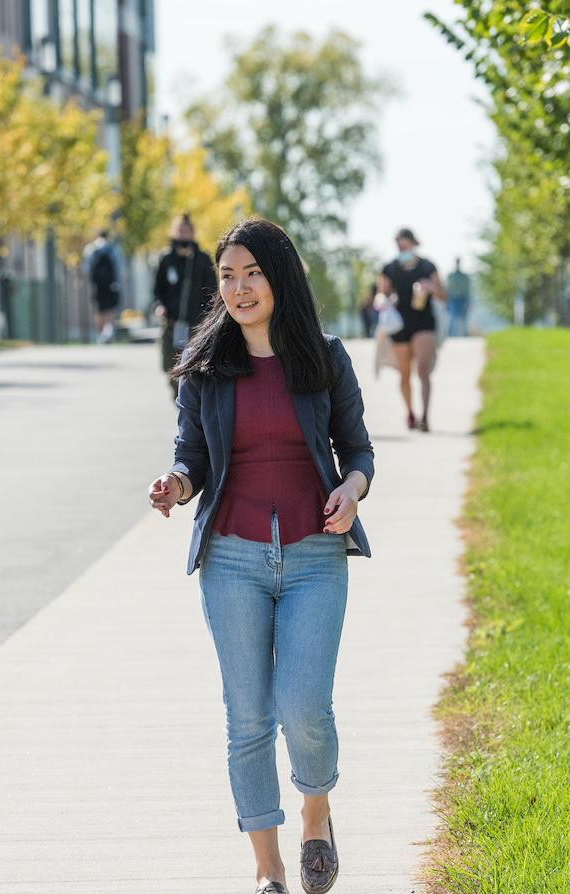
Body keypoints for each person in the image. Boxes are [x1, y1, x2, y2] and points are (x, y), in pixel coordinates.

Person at [149, 218, 374, 894]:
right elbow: (190, 456)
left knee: (305, 706)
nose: (239, 287)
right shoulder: (206, 366)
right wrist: (176, 483)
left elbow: (357, 450)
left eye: (251, 273)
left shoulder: (324, 357)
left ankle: (316, 814)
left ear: (279, 276)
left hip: (313, 555)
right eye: (227, 276)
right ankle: (267, 867)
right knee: (247, 716)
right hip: (233, 560)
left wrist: (352, 490)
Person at [377, 228, 446, 432]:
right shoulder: (389, 268)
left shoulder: (427, 266)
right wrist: (381, 301)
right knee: (404, 373)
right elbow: (382, 293)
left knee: (423, 369)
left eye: (404, 244)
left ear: (413, 243)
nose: (401, 248)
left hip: (424, 321)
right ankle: (410, 412)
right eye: (398, 245)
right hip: (399, 323)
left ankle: (425, 415)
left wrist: (431, 288)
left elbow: (443, 295)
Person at [153, 213, 217, 398]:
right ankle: (178, 396)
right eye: (180, 231)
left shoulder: (203, 260)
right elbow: (157, 291)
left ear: (193, 233)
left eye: (186, 231)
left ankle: (192, 402)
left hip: (197, 326)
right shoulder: (166, 259)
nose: (183, 235)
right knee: (170, 367)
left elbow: (212, 291)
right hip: (172, 324)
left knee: (195, 367)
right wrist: (159, 306)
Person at [84, 229, 122, 343]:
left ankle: (100, 335)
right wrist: (117, 283)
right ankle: (108, 331)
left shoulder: (91, 249)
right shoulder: (113, 248)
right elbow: (118, 267)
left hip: (97, 285)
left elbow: (86, 267)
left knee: (99, 309)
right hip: (111, 284)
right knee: (109, 309)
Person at [446, 257, 472, 337]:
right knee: (452, 318)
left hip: (463, 298)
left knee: (464, 318)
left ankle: (465, 335)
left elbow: (467, 289)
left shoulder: (465, 276)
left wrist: (468, 301)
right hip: (453, 298)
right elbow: (448, 288)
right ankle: (450, 335)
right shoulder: (451, 276)